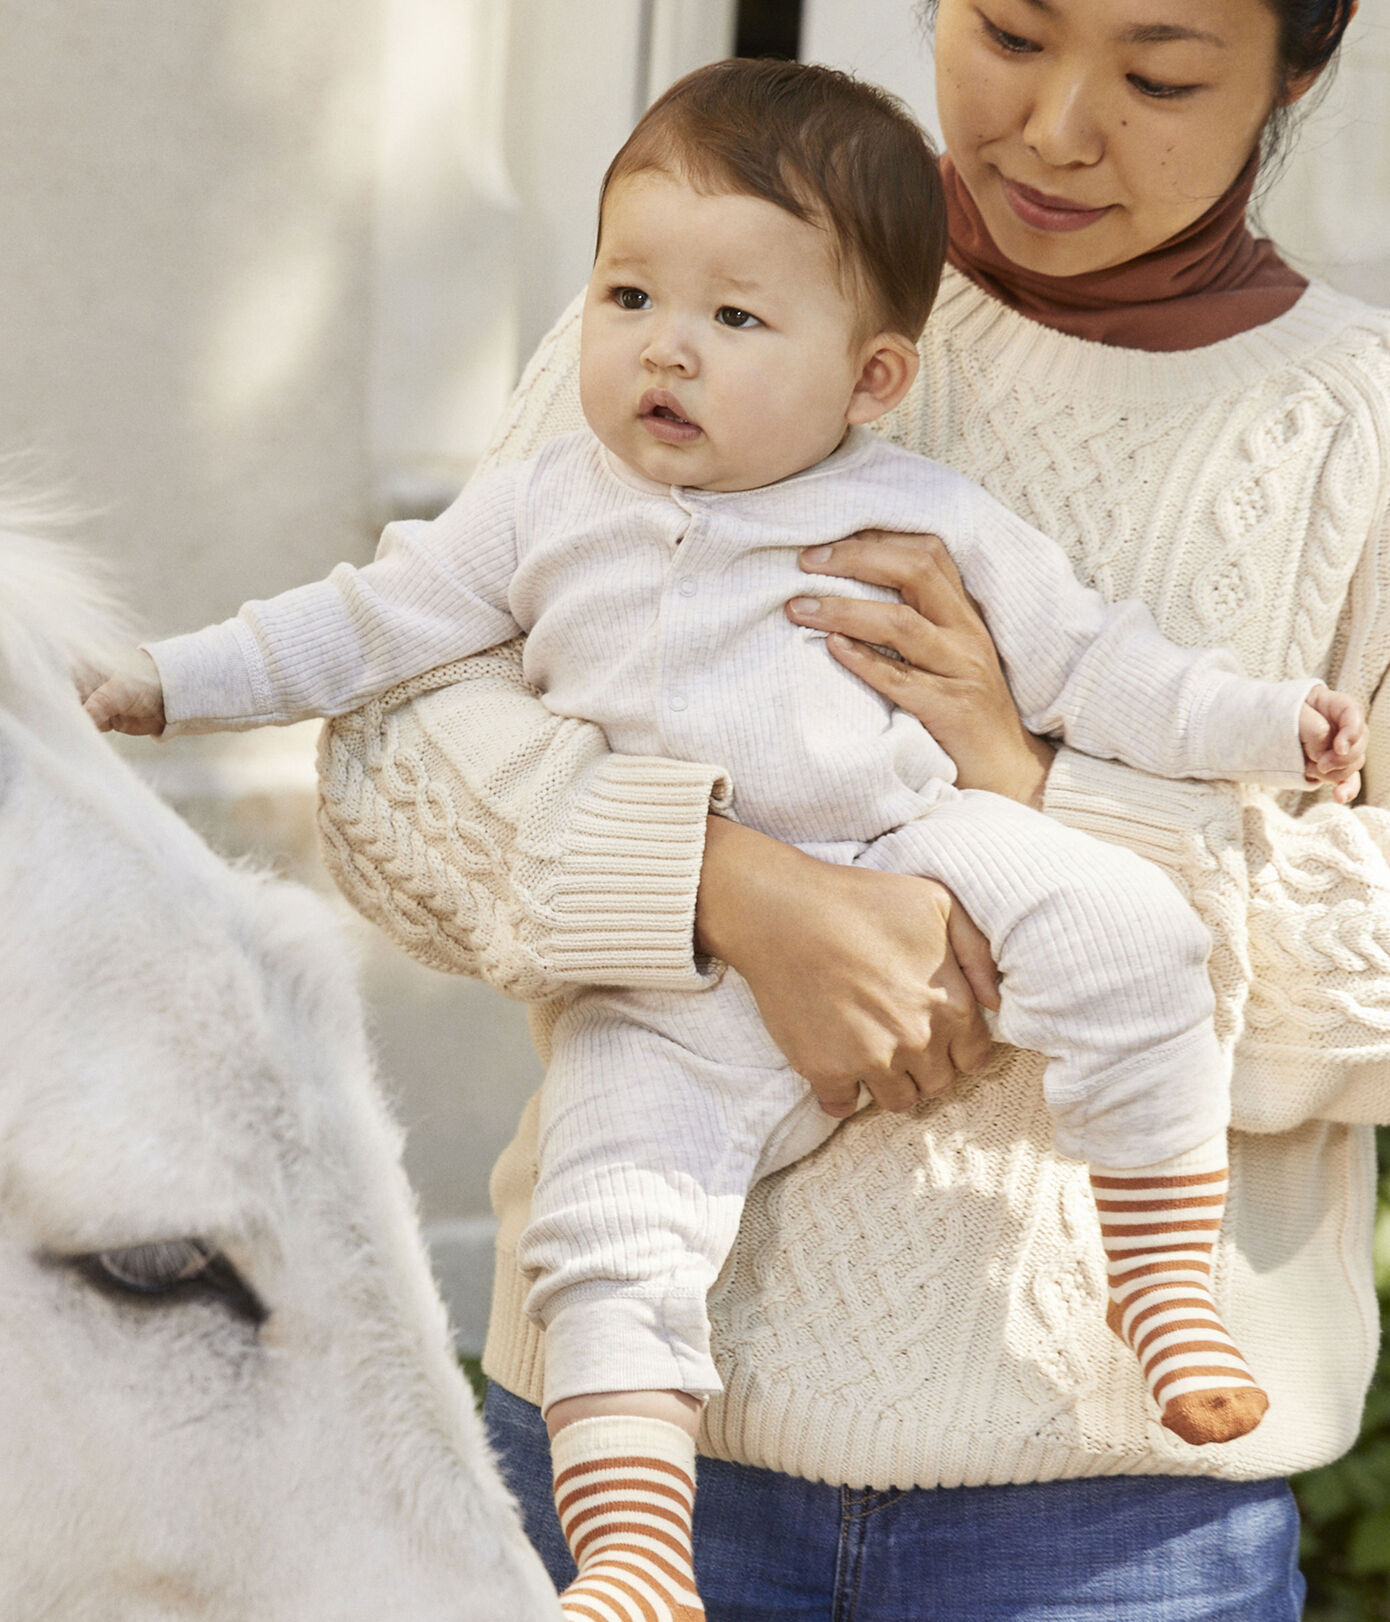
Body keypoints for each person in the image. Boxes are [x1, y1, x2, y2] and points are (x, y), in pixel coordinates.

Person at [84, 51, 1374, 1618]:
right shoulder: (652, 333)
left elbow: (1133, 688)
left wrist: (1035, 781)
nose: (1053, 125)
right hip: (666, 1393)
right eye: (1014, 30)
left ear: (1301, 54)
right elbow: (389, 730)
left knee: (1125, 936)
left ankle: (1158, 1289)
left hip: (1104, 1533)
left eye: (1157, 73)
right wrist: (730, 890)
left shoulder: (1342, 428)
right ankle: (632, 1544)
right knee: (612, 1211)